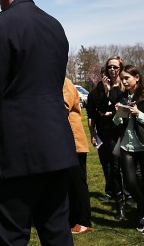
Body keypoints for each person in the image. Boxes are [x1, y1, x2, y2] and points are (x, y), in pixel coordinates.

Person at [0, 0, 77, 246]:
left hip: (17, 149)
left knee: (11, 234)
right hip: (56, 144)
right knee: (57, 231)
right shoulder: (54, 25)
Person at [112, 65, 144, 237]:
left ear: (137, 77)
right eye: (122, 78)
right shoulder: (122, 97)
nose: (124, 81)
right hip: (127, 144)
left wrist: (138, 114)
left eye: (127, 78)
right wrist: (120, 114)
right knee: (130, 182)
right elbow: (116, 122)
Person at [85, 56, 126, 219]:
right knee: (112, 168)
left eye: (115, 67)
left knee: (128, 170)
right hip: (107, 134)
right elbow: (94, 113)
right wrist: (93, 133)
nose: (112, 70)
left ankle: (130, 197)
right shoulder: (99, 90)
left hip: (124, 133)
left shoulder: (125, 87)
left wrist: (113, 109)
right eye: (110, 67)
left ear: (121, 69)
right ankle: (119, 203)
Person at [63, 78, 92, 235]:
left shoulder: (64, 83)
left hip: (74, 143)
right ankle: (71, 218)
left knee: (77, 182)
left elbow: (62, 107)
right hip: (64, 143)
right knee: (67, 184)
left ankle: (83, 221)